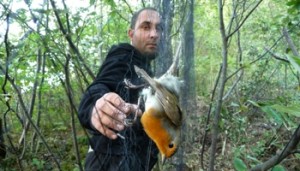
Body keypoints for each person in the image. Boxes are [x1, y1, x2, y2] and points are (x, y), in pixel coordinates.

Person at [78, 7, 162, 171]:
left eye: (158, 28)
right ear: (131, 34)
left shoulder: (145, 68)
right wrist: (97, 106)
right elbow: (102, 85)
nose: (154, 34)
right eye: (146, 27)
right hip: (111, 162)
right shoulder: (124, 55)